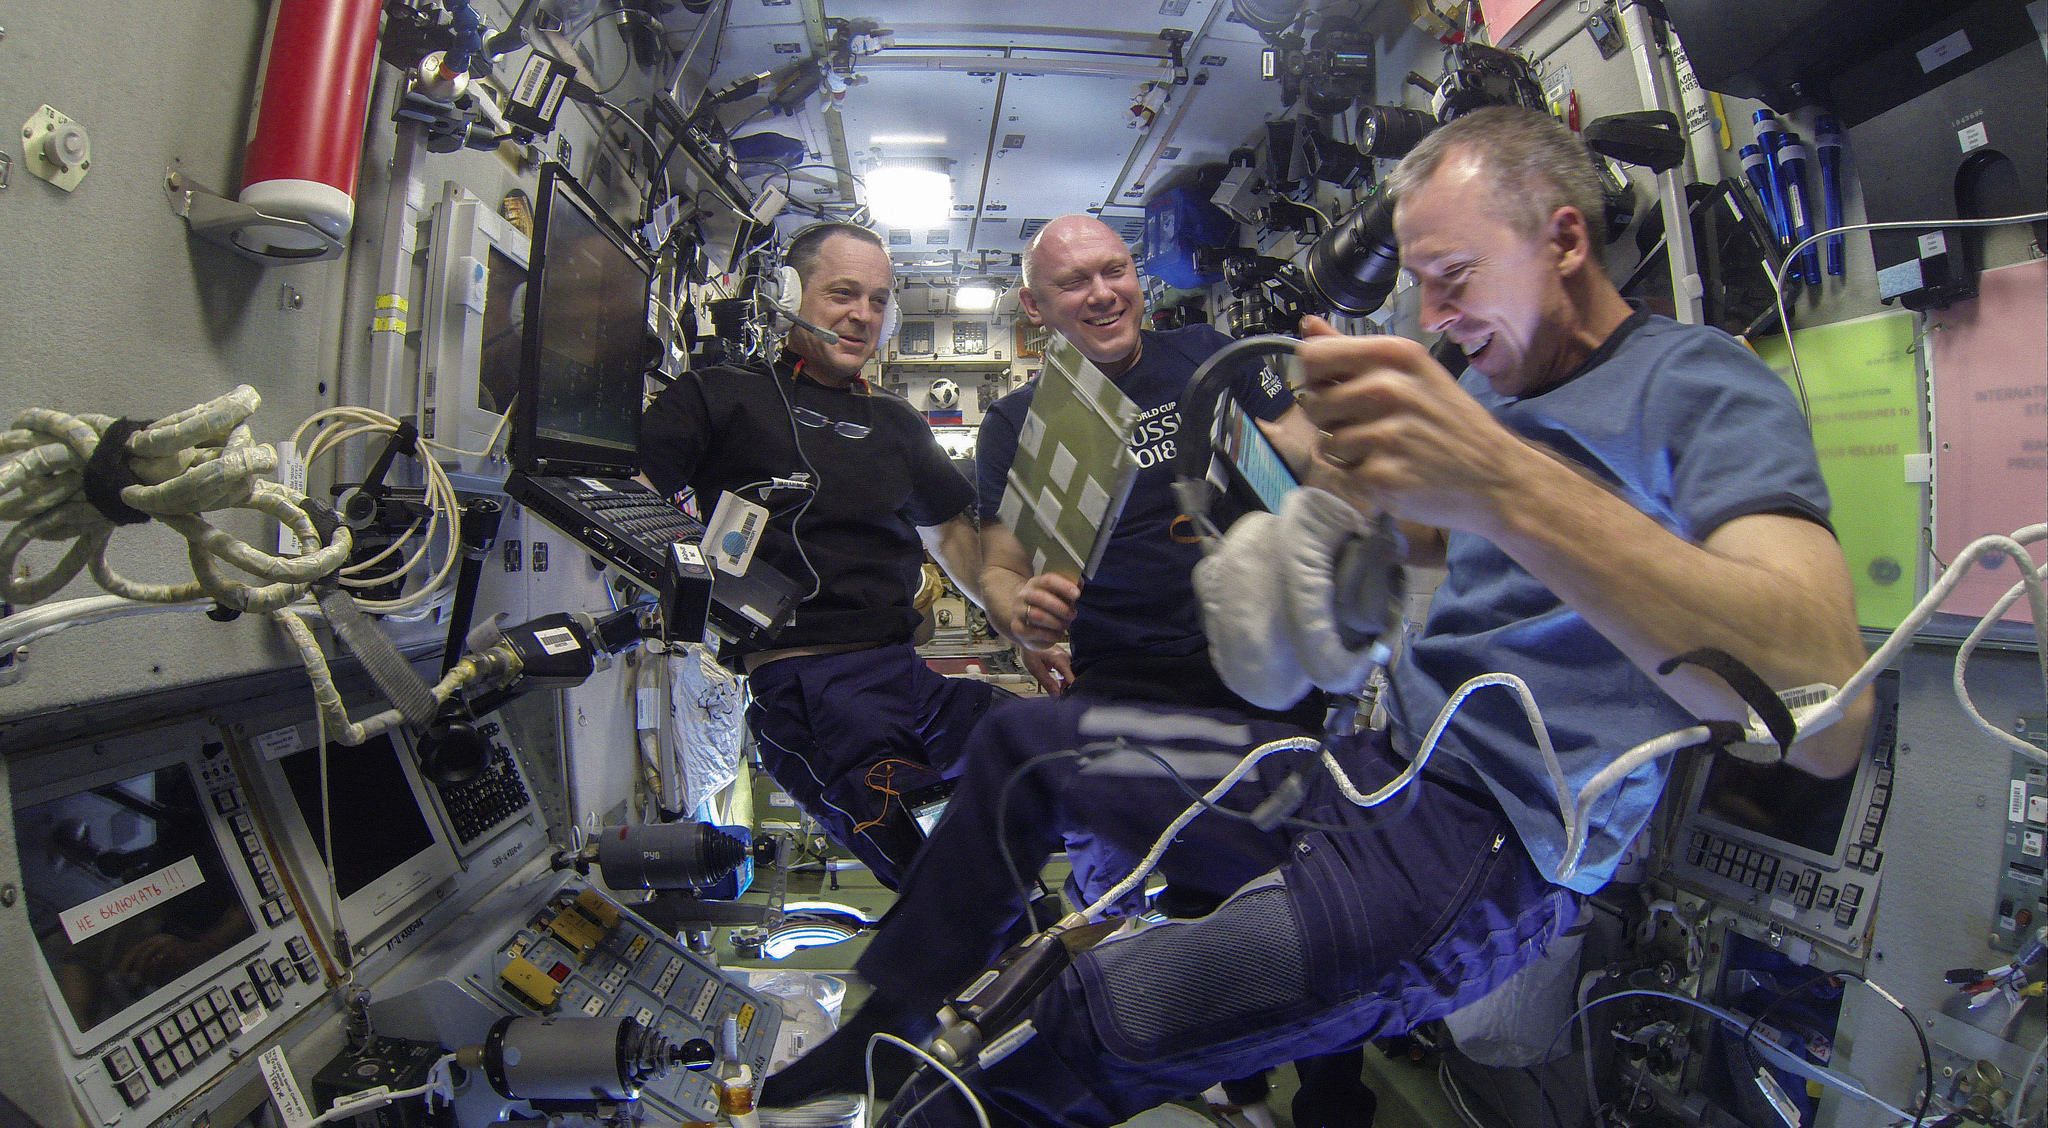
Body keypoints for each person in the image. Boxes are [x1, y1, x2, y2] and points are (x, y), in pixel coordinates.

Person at [761, 105, 1871, 1126]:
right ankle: (880, 1026)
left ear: (1565, 242)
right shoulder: (1478, 380)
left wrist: (1495, 481)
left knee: (1077, 1025)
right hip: (1358, 770)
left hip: (1478, 851)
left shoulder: (1694, 383)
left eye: (1452, 278)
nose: (1433, 318)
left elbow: (1822, 717)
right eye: (1420, 285)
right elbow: (1324, 552)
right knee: (1020, 751)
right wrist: (1320, 492)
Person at [639, 222, 996, 890]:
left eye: (879, 300)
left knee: (1071, 756)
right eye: (842, 293)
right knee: (958, 879)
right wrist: (700, 580)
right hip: (820, 695)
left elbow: (952, 538)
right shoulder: (719, 396)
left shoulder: (898, 425)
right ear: (786, 293)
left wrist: (1027, 628)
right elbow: (630, 497)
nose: (862, 314)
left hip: (910, 682)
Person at [976, 214, 1320, 713]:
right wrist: (1021, 617)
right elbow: (1001, 570)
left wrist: (1340, 439)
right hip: (1124, 677)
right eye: (1074, 282)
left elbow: (1308, 458)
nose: (1102, 294)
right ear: (1034, 305)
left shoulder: (1210, 355)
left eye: (1115, 271)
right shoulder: (1016, 422)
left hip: (1266, 648)